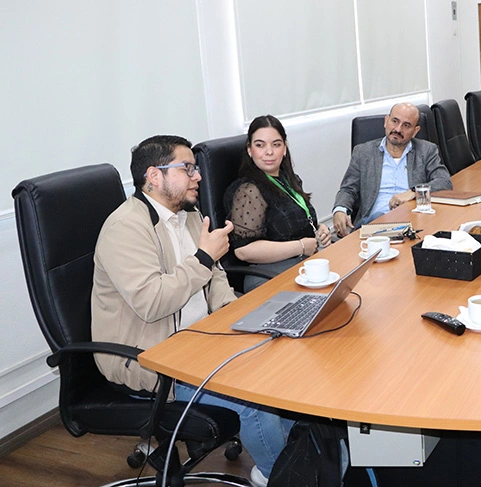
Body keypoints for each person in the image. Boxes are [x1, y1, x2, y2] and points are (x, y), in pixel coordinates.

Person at [91, 135, 293, 487]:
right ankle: (281, 476)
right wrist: (203, 257)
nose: (198, 176)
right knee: (252, 398)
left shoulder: (187, 215)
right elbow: (152, 303)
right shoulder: (125, 228)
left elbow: (213, 276)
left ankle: (298, 459)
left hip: (202, 340)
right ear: (154, 176)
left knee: (282, 367)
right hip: (152, 357)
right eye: (187, 169)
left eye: (195, 168)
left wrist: (236, 319)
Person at [225, 115, 333, 291]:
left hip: (304, 266)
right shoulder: (248, 191)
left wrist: (320, 230)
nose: (269, 152)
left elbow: (293, 224)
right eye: (260, 145)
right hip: (270, 276)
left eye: (276, 144)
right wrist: (301, 246)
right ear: (250, 150)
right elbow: (244, 250)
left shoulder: (289, 180)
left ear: (284, 149)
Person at [332, 102, 453, 237]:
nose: (398, 129)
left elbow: (444, 182)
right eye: (395, 121)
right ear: (386, 121)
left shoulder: (426, 150)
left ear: (415, 131)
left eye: (406, 125)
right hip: (373, 228)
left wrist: (413, 192)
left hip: (413, 227)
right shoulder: (363, 152)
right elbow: (348, 189)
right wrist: (340, 210)